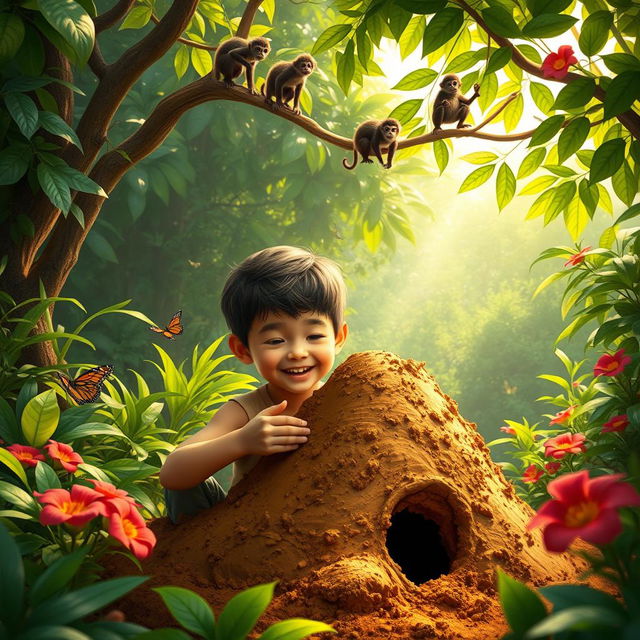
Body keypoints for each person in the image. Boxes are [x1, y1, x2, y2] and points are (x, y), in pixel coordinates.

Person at [159, 245, 349, 524]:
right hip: (244, 533)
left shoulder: (344, 401)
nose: (297, 352)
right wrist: (243, 440)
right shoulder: (245, 411)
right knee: (186, 486)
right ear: (243, 349)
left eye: (314, 336)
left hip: (318, 531)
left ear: (338, 338)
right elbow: (172, 473)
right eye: (275, 340)